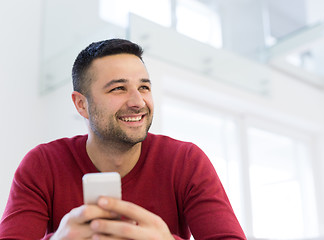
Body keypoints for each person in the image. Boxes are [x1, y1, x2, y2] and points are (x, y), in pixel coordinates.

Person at [0, 38, 247, 240]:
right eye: (118, 88)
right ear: (81, 104)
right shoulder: (42, 164)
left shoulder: (186, 161)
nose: (138, 102)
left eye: (144, 87)